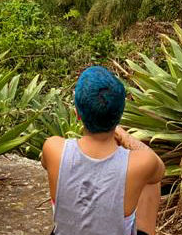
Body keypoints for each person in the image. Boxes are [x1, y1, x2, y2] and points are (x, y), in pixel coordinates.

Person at [41, 66, 165, 235]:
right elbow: (159, 169)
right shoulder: (142, 163)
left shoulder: (53, 148)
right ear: (120, 114)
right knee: (151, 181)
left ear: (77, 113)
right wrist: (125, 137)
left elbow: (46, 164)